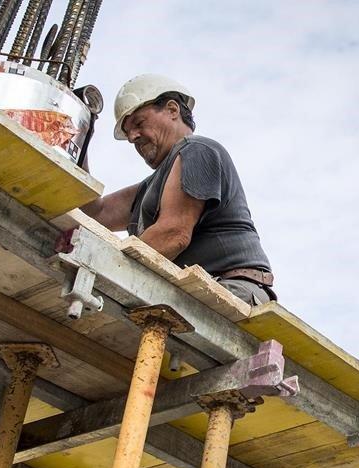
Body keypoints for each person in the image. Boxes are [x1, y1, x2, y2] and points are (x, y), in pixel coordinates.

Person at [78, 73, 275, 306]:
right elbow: (94, 213)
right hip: (196, 290)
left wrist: (102, 266)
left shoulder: (197, 150)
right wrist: (81, 137)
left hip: (231, 288)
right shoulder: (150, 187)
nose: (132, 137)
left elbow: (173, 235)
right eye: (128, 132)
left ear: (172, 110)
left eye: (139, 123)